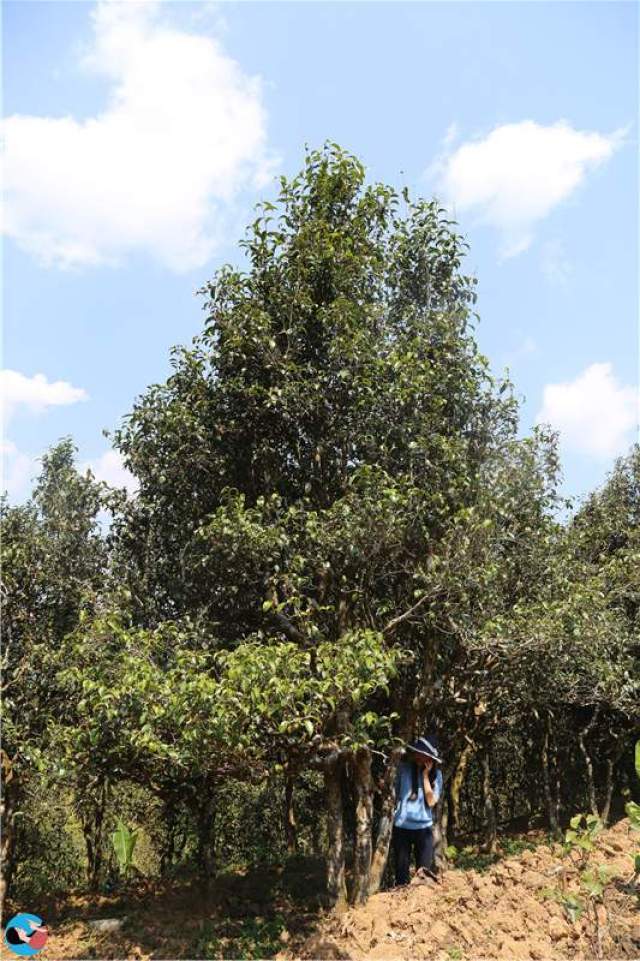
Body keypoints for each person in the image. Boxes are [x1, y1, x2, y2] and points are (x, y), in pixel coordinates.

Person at [392, 735, 443, 886]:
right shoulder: (403, 769)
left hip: (424, 829)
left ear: (429, 757)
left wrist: (426, 777)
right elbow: (394, 794)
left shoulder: (437, 776)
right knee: (401, 873)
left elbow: (431, 801)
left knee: (424, 874)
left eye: (421, 754)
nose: (417, 756)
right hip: (402, 827)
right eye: (416, 753)